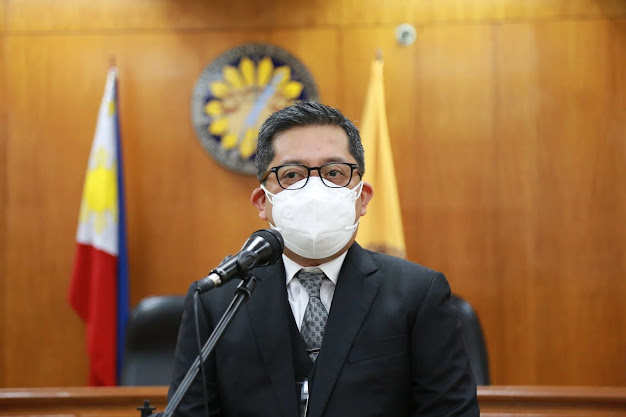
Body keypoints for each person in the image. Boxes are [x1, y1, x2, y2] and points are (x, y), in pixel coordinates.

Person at [168, 101, 479, 417]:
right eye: (292, 174)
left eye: (334, 173)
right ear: (262, 201)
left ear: (362, 198)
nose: (315, 188)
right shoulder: (216, 301)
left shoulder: (418, 294)